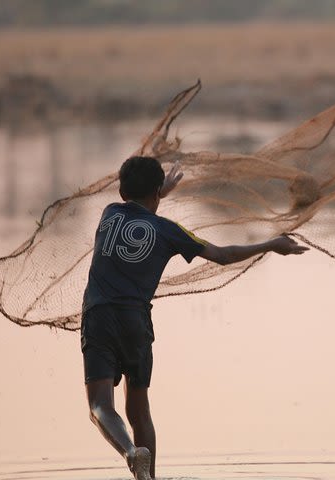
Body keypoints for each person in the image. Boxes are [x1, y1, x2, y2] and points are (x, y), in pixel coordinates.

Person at [81, 155, 308, 480]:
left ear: (120, 191)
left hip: (99, 315)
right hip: (136, 322)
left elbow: (138, 211)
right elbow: (223, 255)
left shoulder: (109, 214)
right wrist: (270, 244)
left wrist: (159, 192)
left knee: (100, 406)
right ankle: (150, 478)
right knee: (139, 410)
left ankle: (131, 453)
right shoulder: (169, 231)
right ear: (157, 192)